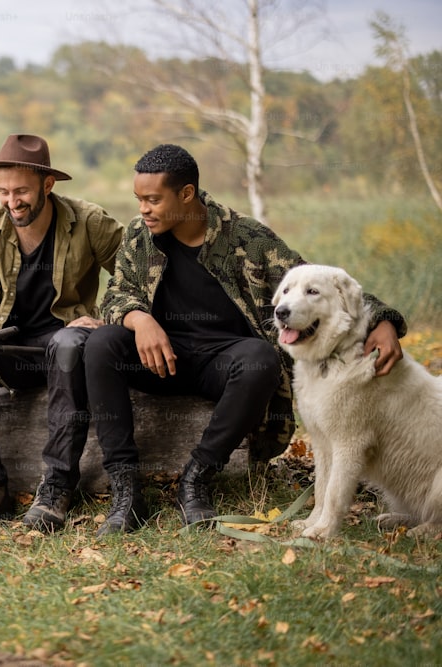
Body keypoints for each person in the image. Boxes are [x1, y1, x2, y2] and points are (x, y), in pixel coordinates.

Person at [85, 143, 407, 534]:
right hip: (160, 357)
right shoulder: (139, 237)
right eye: (139, 199)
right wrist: (139, 320)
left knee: (260, 358)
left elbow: (313, 278)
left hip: (222, 363)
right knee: (101, 344)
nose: (143, 210)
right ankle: (126, 491)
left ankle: (195, 480)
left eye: (153, 200)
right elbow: (116, 295)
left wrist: (384, 320)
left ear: (186, 194)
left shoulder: (247, 238)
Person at [0, 134, 123, 532]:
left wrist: (107, 319)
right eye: (3, 191)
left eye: (21, 190)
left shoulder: (89, 221)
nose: (12, 201)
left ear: (47, 185)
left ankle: (57, 486)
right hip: (11, 346)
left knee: (68, 344)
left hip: (67, 345)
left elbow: (137, 276)